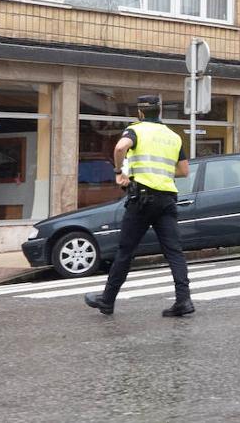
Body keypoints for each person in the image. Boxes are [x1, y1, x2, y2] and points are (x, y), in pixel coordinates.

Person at [84, 95, 193, 317]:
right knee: (174, 252)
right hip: (167, 199)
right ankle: (184, 300)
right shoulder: (173, 136)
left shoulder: (136, 129)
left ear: (141, 112)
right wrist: (159, 172)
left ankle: (107, 300)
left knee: (126, 251)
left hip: (142, 200)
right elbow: (183, 171)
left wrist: (118, 172)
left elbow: (119, 148)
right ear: (159, 111)